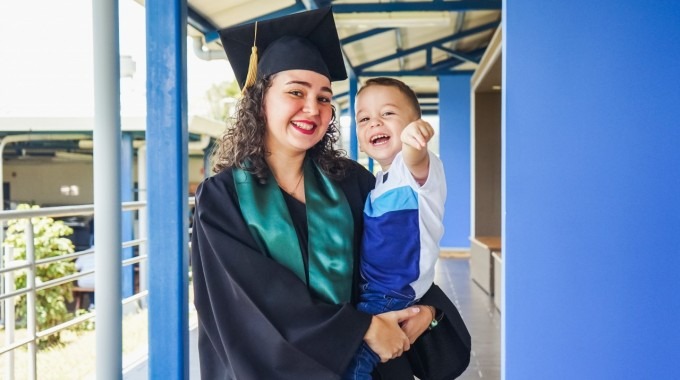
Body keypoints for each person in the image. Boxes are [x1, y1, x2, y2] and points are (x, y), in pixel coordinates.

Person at [191, 7, 464, 379]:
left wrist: (428, 314)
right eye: (295, 92)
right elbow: (245, 305)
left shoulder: (351, 182)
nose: (312, 108)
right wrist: (361, 329)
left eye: (323, 97)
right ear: (260, 99)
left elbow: (398, 258)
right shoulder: (222, 199)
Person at [342, 77, 451, 379]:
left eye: (388, 114)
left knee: (356, 359)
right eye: (364, 118)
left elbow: (416, 157)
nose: (375, 122)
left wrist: (414, 139)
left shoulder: (416, 170)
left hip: (390, 292)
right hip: (376, 288)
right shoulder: (378, 182)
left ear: (413, 122)